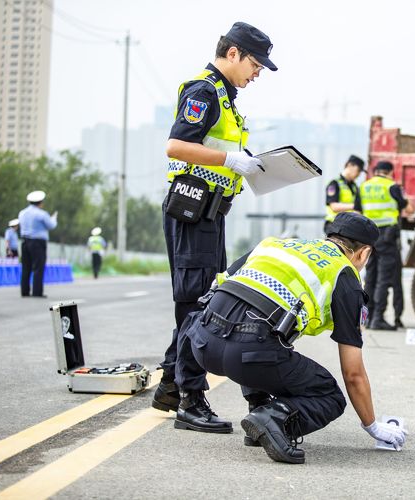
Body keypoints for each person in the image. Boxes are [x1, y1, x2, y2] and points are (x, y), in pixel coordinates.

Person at [174, 212, 407, 464]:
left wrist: (186, 384)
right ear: (363, 253)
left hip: (202, 343)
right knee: (329, 395)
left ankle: (239, 407)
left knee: (261, 333)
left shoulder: (275, 245)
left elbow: (212, 293)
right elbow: (353, 373)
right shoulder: (345, 276)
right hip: (246, 355)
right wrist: (372, 426)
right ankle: (273, 418)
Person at [152, 21, 277, 422]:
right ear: (234, 53)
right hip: (192, 210)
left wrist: (249, 162)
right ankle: (191, 399)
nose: (257, 73)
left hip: (210, 212)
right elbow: (176, 145)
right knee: (195, 304)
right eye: (256, 64)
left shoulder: (226, 96)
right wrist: (230, 159)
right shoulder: (204, 91)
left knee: (201, 298)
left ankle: (171, 386)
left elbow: (215, 146)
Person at [358, 161, 411, 330]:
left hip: (368, 237)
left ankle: (368, 317)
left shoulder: (364, 186)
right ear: (389, 172)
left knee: (370, 278)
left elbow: (358, 210)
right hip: (387, 237)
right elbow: (407, 208)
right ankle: (378, 318)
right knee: (384, 278)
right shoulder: (392, 186)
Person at [18, 190, 57, 298]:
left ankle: (24, 292)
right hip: (37, 243)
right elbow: (51, 226)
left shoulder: (22, 213)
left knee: (26, 267)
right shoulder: (42, 214)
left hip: (25, 242)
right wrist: (54, 219)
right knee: (38, 267)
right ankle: (37, 292)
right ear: (41, 202)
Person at [324, 154, 365, 234]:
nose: (359, 174)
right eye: (358, 170)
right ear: (350, 165)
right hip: (334, 225)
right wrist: (355, 206)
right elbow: (334, 207)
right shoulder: (334, 184)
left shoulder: (354, 186)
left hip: (348, 225)